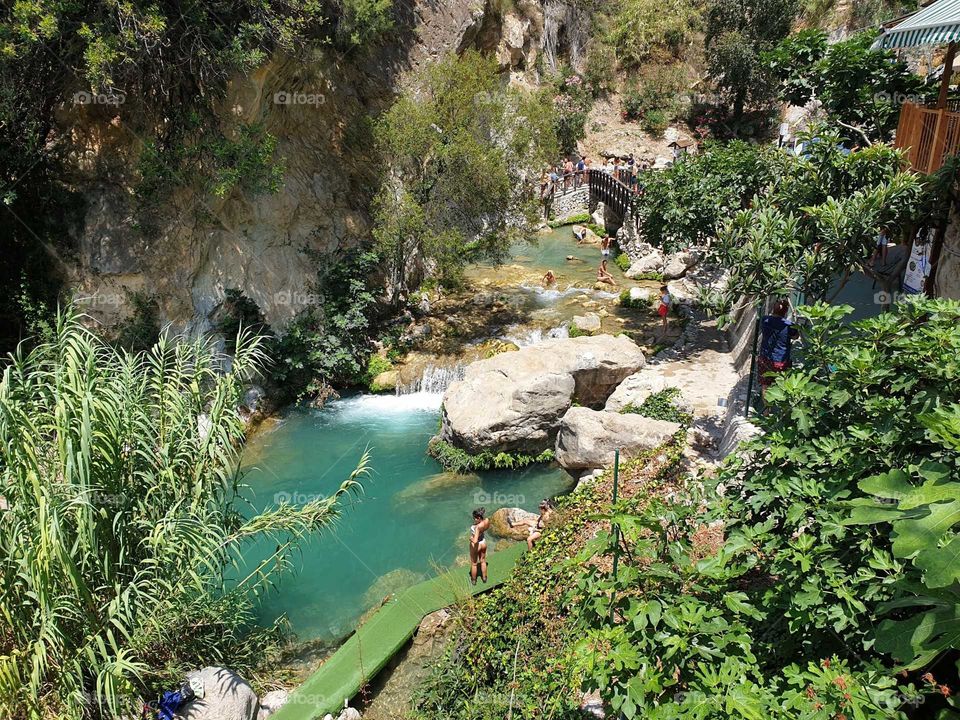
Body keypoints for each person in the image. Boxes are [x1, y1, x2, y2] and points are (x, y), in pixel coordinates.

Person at [758, 299, 800, 397]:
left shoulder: (765, 320)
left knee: (765, 385)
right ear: (785, 311)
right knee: (782, 385)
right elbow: (796, 336)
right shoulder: (789, 326)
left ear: (773, 309)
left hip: (765, 359)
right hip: (781, 361)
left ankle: (766, 411)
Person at [469, 507, 490, 585]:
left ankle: (474, 580)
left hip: (477, 545)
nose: (474, 520)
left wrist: (470, 538)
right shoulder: (487, 520)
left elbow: (475, 541)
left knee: (474, 563)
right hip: (483, 543)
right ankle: (484, 578)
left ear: (478, 518)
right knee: (483, 561)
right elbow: (486, 527)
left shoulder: (477, 527)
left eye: (475, 518)